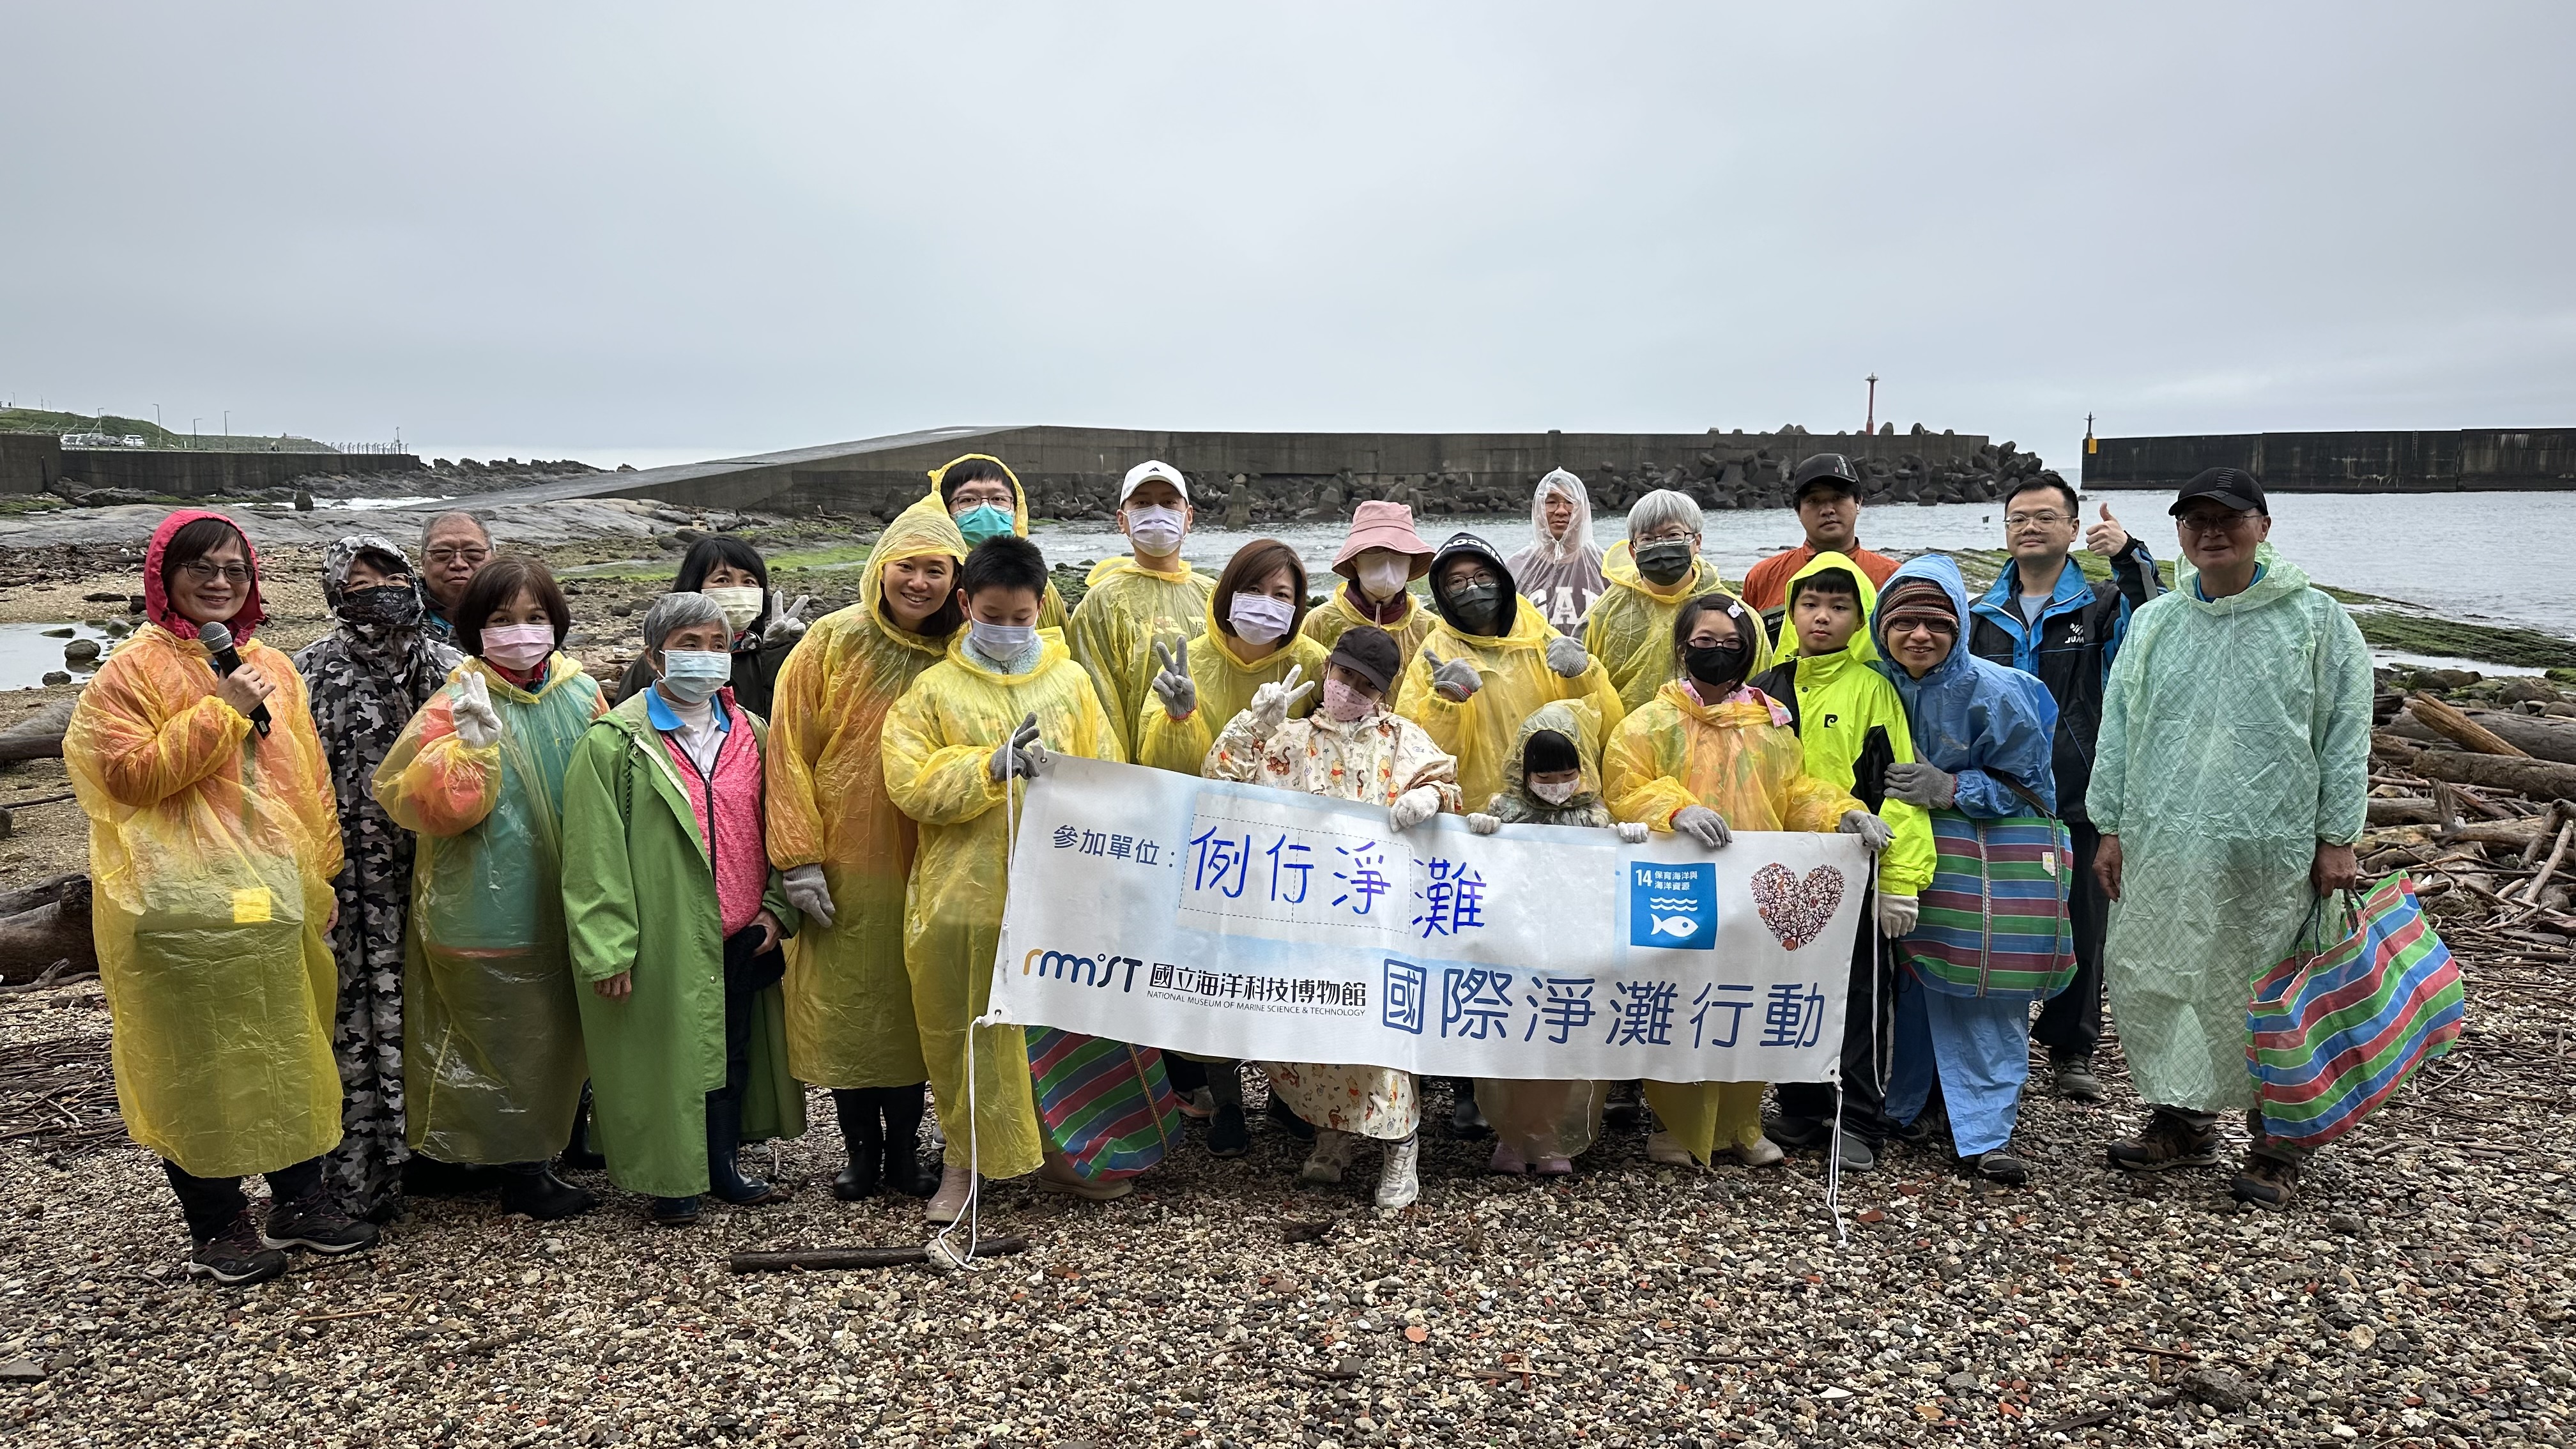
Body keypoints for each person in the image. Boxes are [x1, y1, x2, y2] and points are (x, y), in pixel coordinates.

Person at [67, 510, 378, 1285]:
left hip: (267, 895)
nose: (219, 582)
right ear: (163, 576)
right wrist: (221, 709)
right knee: (196, 1060)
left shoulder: (271, 666)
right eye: (201, 567)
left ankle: (299, 1200)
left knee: (288, 1042)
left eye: (235, 569)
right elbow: (125, 778)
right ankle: (215, 1223)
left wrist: (320, 875)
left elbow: (307, 781)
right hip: (177, 903)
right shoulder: (128, 674)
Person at [2090, 468, 2371, 1209]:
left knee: (2277, 989)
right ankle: (2183, 1118)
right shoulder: (2158, 623)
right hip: (2167, 838)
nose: (2212, 532)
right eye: (2196, 520)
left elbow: (2346, 735)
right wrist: (2109, 824)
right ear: (2180, 532)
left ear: (2263, 528)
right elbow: (2119, 728)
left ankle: (2280, 1141)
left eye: (2230, 519)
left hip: (2274, 846)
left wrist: (2337, 836)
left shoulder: (2318, 622)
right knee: (2170, 973)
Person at [882, 535, 1159, 1223]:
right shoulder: (934, 691)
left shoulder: (1070, 684)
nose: (1006, 628)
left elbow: (1106, 773)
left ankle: (1067, 1151)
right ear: (965, 603)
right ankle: (965, 1162)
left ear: (1042, 608)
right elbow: (909, 784)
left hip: (1062, 888)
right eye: (992, 616)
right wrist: (986, 767)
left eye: (1020, 617)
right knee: (967, 1030)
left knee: (1060, 1025)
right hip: (965, 894)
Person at [1602, 593, 1889, 1167]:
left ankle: (1741, 1122)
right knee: (1680, 1001)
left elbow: (1796, 790)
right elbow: (1624, 787)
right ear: (1682, 647)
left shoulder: (1769, 724)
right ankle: (1675, 1126)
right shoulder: (1651, 721)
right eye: (1705, 642)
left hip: (1754, 887)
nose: (1718, 652)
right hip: (1679, 887)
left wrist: (1842, 813)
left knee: (1744, 999)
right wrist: (1675, 809)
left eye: (1731, 644)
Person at [372, 556, 604, 1220]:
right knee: (505, 1039)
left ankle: (562, 1139)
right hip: (486, 906)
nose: (521, 632)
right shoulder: (457, 702)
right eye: (502, 619)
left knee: (565, 1027)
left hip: (572, 897)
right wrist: (469, 751)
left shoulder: (582, 693)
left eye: (535, 617)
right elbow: (432, 810)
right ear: (475, 627)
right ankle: (522, 1170)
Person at [563, 593, 804, 1226]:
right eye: (688, 645)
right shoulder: (615, 743)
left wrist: (776, 909)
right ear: (655, 657)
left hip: (740, 931)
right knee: (665, 1056)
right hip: (660, 936)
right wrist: (608, 947)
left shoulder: (753, 733)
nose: (705, 657)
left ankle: (722, 1165)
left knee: (730, 1051)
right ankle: (672, 1176)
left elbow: (782, 828)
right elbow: (592, 854)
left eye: (717, 645)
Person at [1205, 625, 1462, 1207]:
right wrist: (1252, 726)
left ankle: (1401, 1147)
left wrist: (1430, 798)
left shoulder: (1402, 739)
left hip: (1379, 916)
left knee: (1377, 1033)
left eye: (1365, 684)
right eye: (1343, 675)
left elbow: (1447, 786)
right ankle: (1334, 1134)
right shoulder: (1291, 738)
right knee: (1315, 1029)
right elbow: (1221, 785)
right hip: (1303, 915)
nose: (1349, 690)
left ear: (1382, 693)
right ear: (1328, 671)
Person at [763, 499, 963, 1202]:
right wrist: (798, 857)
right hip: (844, 862)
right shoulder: (831, 639)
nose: (919, 582)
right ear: (881, 569)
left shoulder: (963, 650)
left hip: (932, 857)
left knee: (915, 1009)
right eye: (907, 566)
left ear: (955, 579)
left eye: (936, 569)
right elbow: (788, 748)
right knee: (849, 1008)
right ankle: (860, 1153)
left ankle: (905, 1152)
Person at [1868, 556, 2063, 1185]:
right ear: (1881, 626)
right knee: (1909, 991)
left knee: (1984, 995)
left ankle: (1986, 1132)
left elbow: (2033, 791)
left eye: (1937, 623)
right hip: (1898, 865)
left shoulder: (1999, 692)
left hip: (1984, 868)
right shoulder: (1871, 683)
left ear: (1960, 625)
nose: (1920, 635)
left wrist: (1953, 788)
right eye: (1904, 622)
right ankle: (1909, 1106)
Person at [1967, 475, 2159, 1103]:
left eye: (2046, 517)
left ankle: (2072, 1049)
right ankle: (1987, 1041)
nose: (2031, 527)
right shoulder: (1979, 615)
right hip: (1997, 796)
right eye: (2019, 518)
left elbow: (2158, 625)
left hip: (2077, 793)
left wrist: (2129, 555)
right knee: (1991, 920)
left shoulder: (2102, 606)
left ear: (2074, 529)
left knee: (2081, 926)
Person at [1138, 537, 1330, 1155]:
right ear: (1226, 594)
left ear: (1299, 606)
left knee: (1282, 974)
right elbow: (1157, 763)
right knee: (1212, 973)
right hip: (1207, 843)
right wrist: (1179, 718)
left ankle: (1288, 1096)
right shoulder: (1185, 659)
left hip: (1285, 848)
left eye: (1282, 594)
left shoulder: (1313, 662)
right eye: (1253, 590)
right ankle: (1225, 1101)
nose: (1267, 604)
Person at [1746, 553, 1937, 1174]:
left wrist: (1901, 879)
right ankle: (1802, 1107)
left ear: (1860, 617)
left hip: (1857, 869)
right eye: (1809, 605)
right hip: (1780, 868)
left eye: (1838, 606)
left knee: (1858, 996)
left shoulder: (1872, 688)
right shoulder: (1766, 688)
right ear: (1791, 613)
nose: (1822, 618)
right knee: (1787, 988)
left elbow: (1900, 787)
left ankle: (1858, 1118)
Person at [293, 535, 464, 1223]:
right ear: (335, 592)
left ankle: (452, 1155)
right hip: (351, 887)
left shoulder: (451, 668)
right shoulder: (306, 672)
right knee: (354, 1022)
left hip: (440, 873)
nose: (379, 592)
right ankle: (359, 1177)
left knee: (445, 1006)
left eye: (390, 577)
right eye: (359, 583)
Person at [1460, 700, 1644, 1174]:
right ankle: (1510, 1136)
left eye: (1567, 775)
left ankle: (1547, 1136)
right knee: (1516, 1040)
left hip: (1573, 951)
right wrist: (1478, 835)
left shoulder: (1595, 817)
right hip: (1516, 948)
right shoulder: (1504, 810)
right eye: (1544, 776)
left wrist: (1627, 841)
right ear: (1524, 773)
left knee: (1563, 1044)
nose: (1557, 785)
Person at [1397, 531, 1626, 821]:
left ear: (1502, 579)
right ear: (1443, 594)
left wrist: (1584, 675)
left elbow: (1604, 732)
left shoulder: (1541, 639)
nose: (1472, 588)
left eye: (1483, 576)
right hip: (1475, 819)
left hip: (1554, 805)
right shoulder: (1436, 656)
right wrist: (1446, 704)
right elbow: (1417, 754)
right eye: (1457, 582)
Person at [1068, 459, 1215, 762]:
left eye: (1169, 503)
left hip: (1214, 765)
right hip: (1137, 772)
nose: (1157, 512)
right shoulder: (1101, 603)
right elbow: (1098, 703)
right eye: (1143, 503)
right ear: (1122, 520)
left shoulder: (1213, 595)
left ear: (1188, 517)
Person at [1588, 490, 1769, 716]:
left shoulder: (1735, 615)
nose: (1661, 546)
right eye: (1647, 539)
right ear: (1633, 551)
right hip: (1625, 735)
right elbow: (1587, 686)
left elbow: (1759, 690)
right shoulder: (1607, 611)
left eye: (1673, 535)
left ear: (1697, 542)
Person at [614, 536, 811, 717]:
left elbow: (787, 721)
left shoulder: (763, 655)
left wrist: (780, 653)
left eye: (749, 581)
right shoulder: (663, 659)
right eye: (722, 580)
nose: (737, 589)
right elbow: (623, 724)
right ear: (694, 586)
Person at [1735, 455, 1901, 619]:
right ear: (1798, 511)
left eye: (1838, 498)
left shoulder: (1894, 578)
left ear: (1858, 502)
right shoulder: (1764, 578)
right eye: (1814, 500)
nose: (1828, 510)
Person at [926, 453, 1070, 631]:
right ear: (944, 510)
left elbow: (1061, 637)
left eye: (998, 499)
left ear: (1016, 509)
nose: (986, 508)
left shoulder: (1035, 579)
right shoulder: (931, 576)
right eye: (968, 500)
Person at [1301, 500, 1439, 683]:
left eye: (1399, 551)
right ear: (1355, 559)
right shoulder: (1320, 621)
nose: (1388, 560)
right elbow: (1305, 683)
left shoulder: (1430, 627)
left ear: (1411, 560)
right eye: (1375, 550)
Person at [1505, 468, 1607, 631]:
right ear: (1538, 510)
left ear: (1584, 511)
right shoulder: (1515, 568)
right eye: (1551, 502)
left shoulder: (1606, 568)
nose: (1561, 511)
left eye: (1570, 502)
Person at [417, 511, 494, 644]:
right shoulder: (399, 617)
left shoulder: (518, 611)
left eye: (473, 553)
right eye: (442, 553)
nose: (459, 564)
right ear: (423, 562)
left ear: (493, 560)